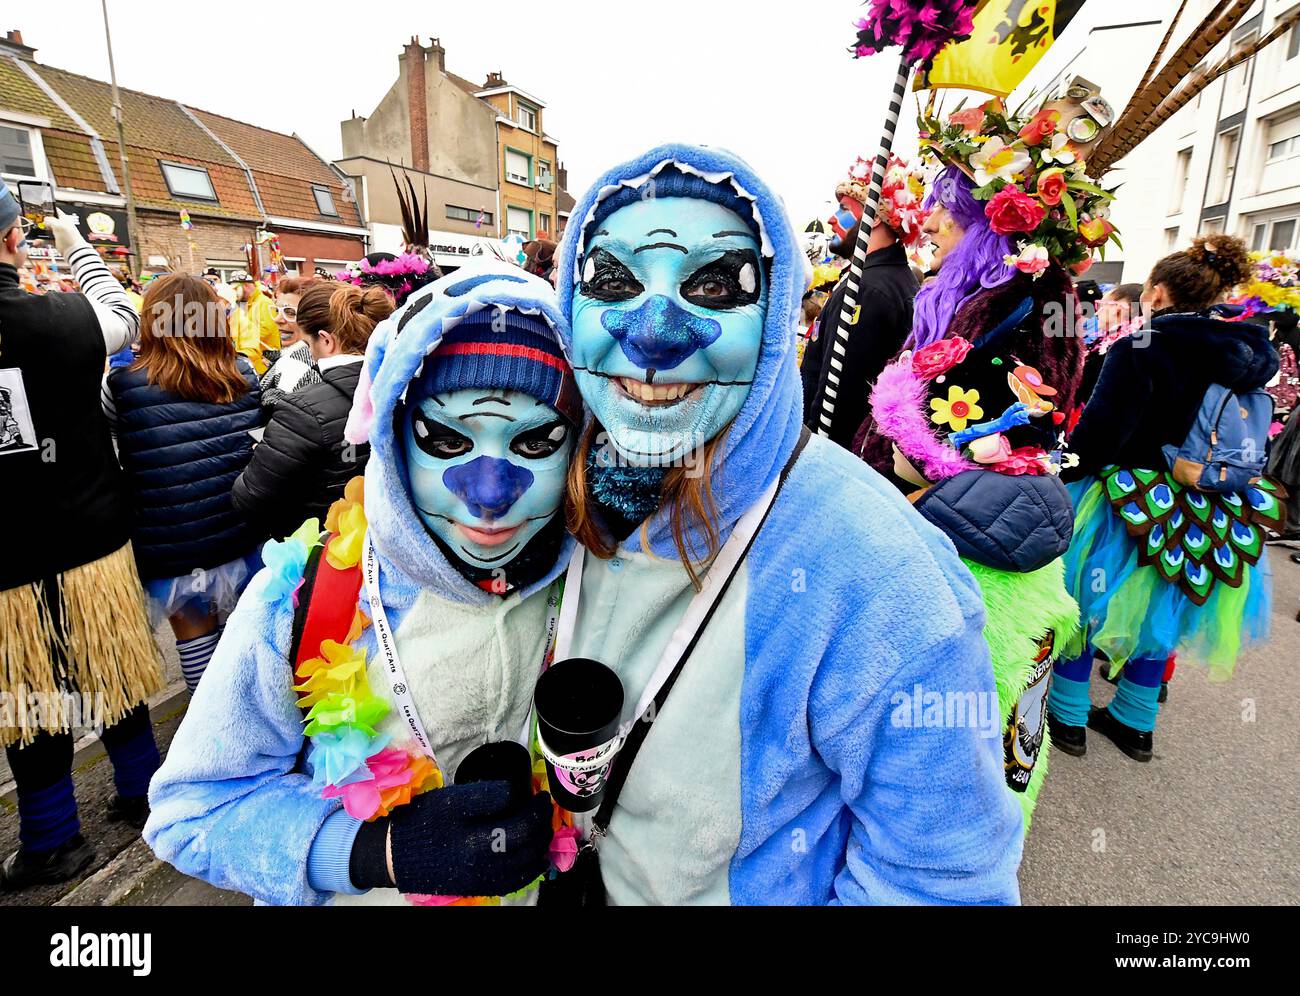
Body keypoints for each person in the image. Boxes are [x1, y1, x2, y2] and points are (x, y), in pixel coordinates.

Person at [553, 145, 1022, 903]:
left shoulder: (879, 573)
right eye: (612, 279)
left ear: (774, 326)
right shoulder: (541, 487)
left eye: (712, 285)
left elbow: (942, 879)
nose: (653, 335)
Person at [146, 262, 581, 905]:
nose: (489, 497)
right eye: (445, 439)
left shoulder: (593, 580)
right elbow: (190, 811)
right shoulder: (302, 595)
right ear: (394, 437)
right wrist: (369, 853)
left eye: (538, 442)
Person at [1048, 235, 1283, 761]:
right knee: (1163, 604)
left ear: (1157, 292)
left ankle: (1067, 717)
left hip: (1127, 496)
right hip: (1210, 502)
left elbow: (1103, 432)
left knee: (1084, 601)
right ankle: (1135, 721)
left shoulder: (1143, 345)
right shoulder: (1247, 352)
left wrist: (1065, 468)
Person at [0, 184, 164, 891]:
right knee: (115, 675)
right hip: (89, 536)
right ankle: (142, 792)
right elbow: (127, 312)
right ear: (15, 243)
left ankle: (52, 841)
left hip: (6, 561)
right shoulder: (65, 318)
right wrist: (78, 248)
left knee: (31, 699)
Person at [103, 274, 264, 694]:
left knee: (194, 639)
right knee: (244, 634)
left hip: (172, 543)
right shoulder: (242, 373)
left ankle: (208, 729)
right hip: (239, 532)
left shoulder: (120, 387)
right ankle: (251, 714)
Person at [232, 282, 392, 540]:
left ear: (327, 341)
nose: (310, 354)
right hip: (383, 537)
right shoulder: (405, 388)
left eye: (308, 345)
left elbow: (250, 498)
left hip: (319, 544)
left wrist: (261, 455)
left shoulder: (301, 409)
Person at [801, 154, 926, 446]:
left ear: (877, 216)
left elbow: (842, 395)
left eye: (844, 209)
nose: (832, 218)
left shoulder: (868, 289)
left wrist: (809, 449)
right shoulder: (884, 279)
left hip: (832, 454)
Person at [259, 274, 322, 411]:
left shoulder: (296, 367)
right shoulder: (295, 358)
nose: (278, 319)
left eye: (290, 313)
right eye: (277, 311)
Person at [228, 270, 279, 375]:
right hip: (249, 362)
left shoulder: (264, 302)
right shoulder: (241, 305)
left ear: (245, 286)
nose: (234, 293)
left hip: (263, 365)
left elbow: (266, 330)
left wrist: (242, 351)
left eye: (236, 289)